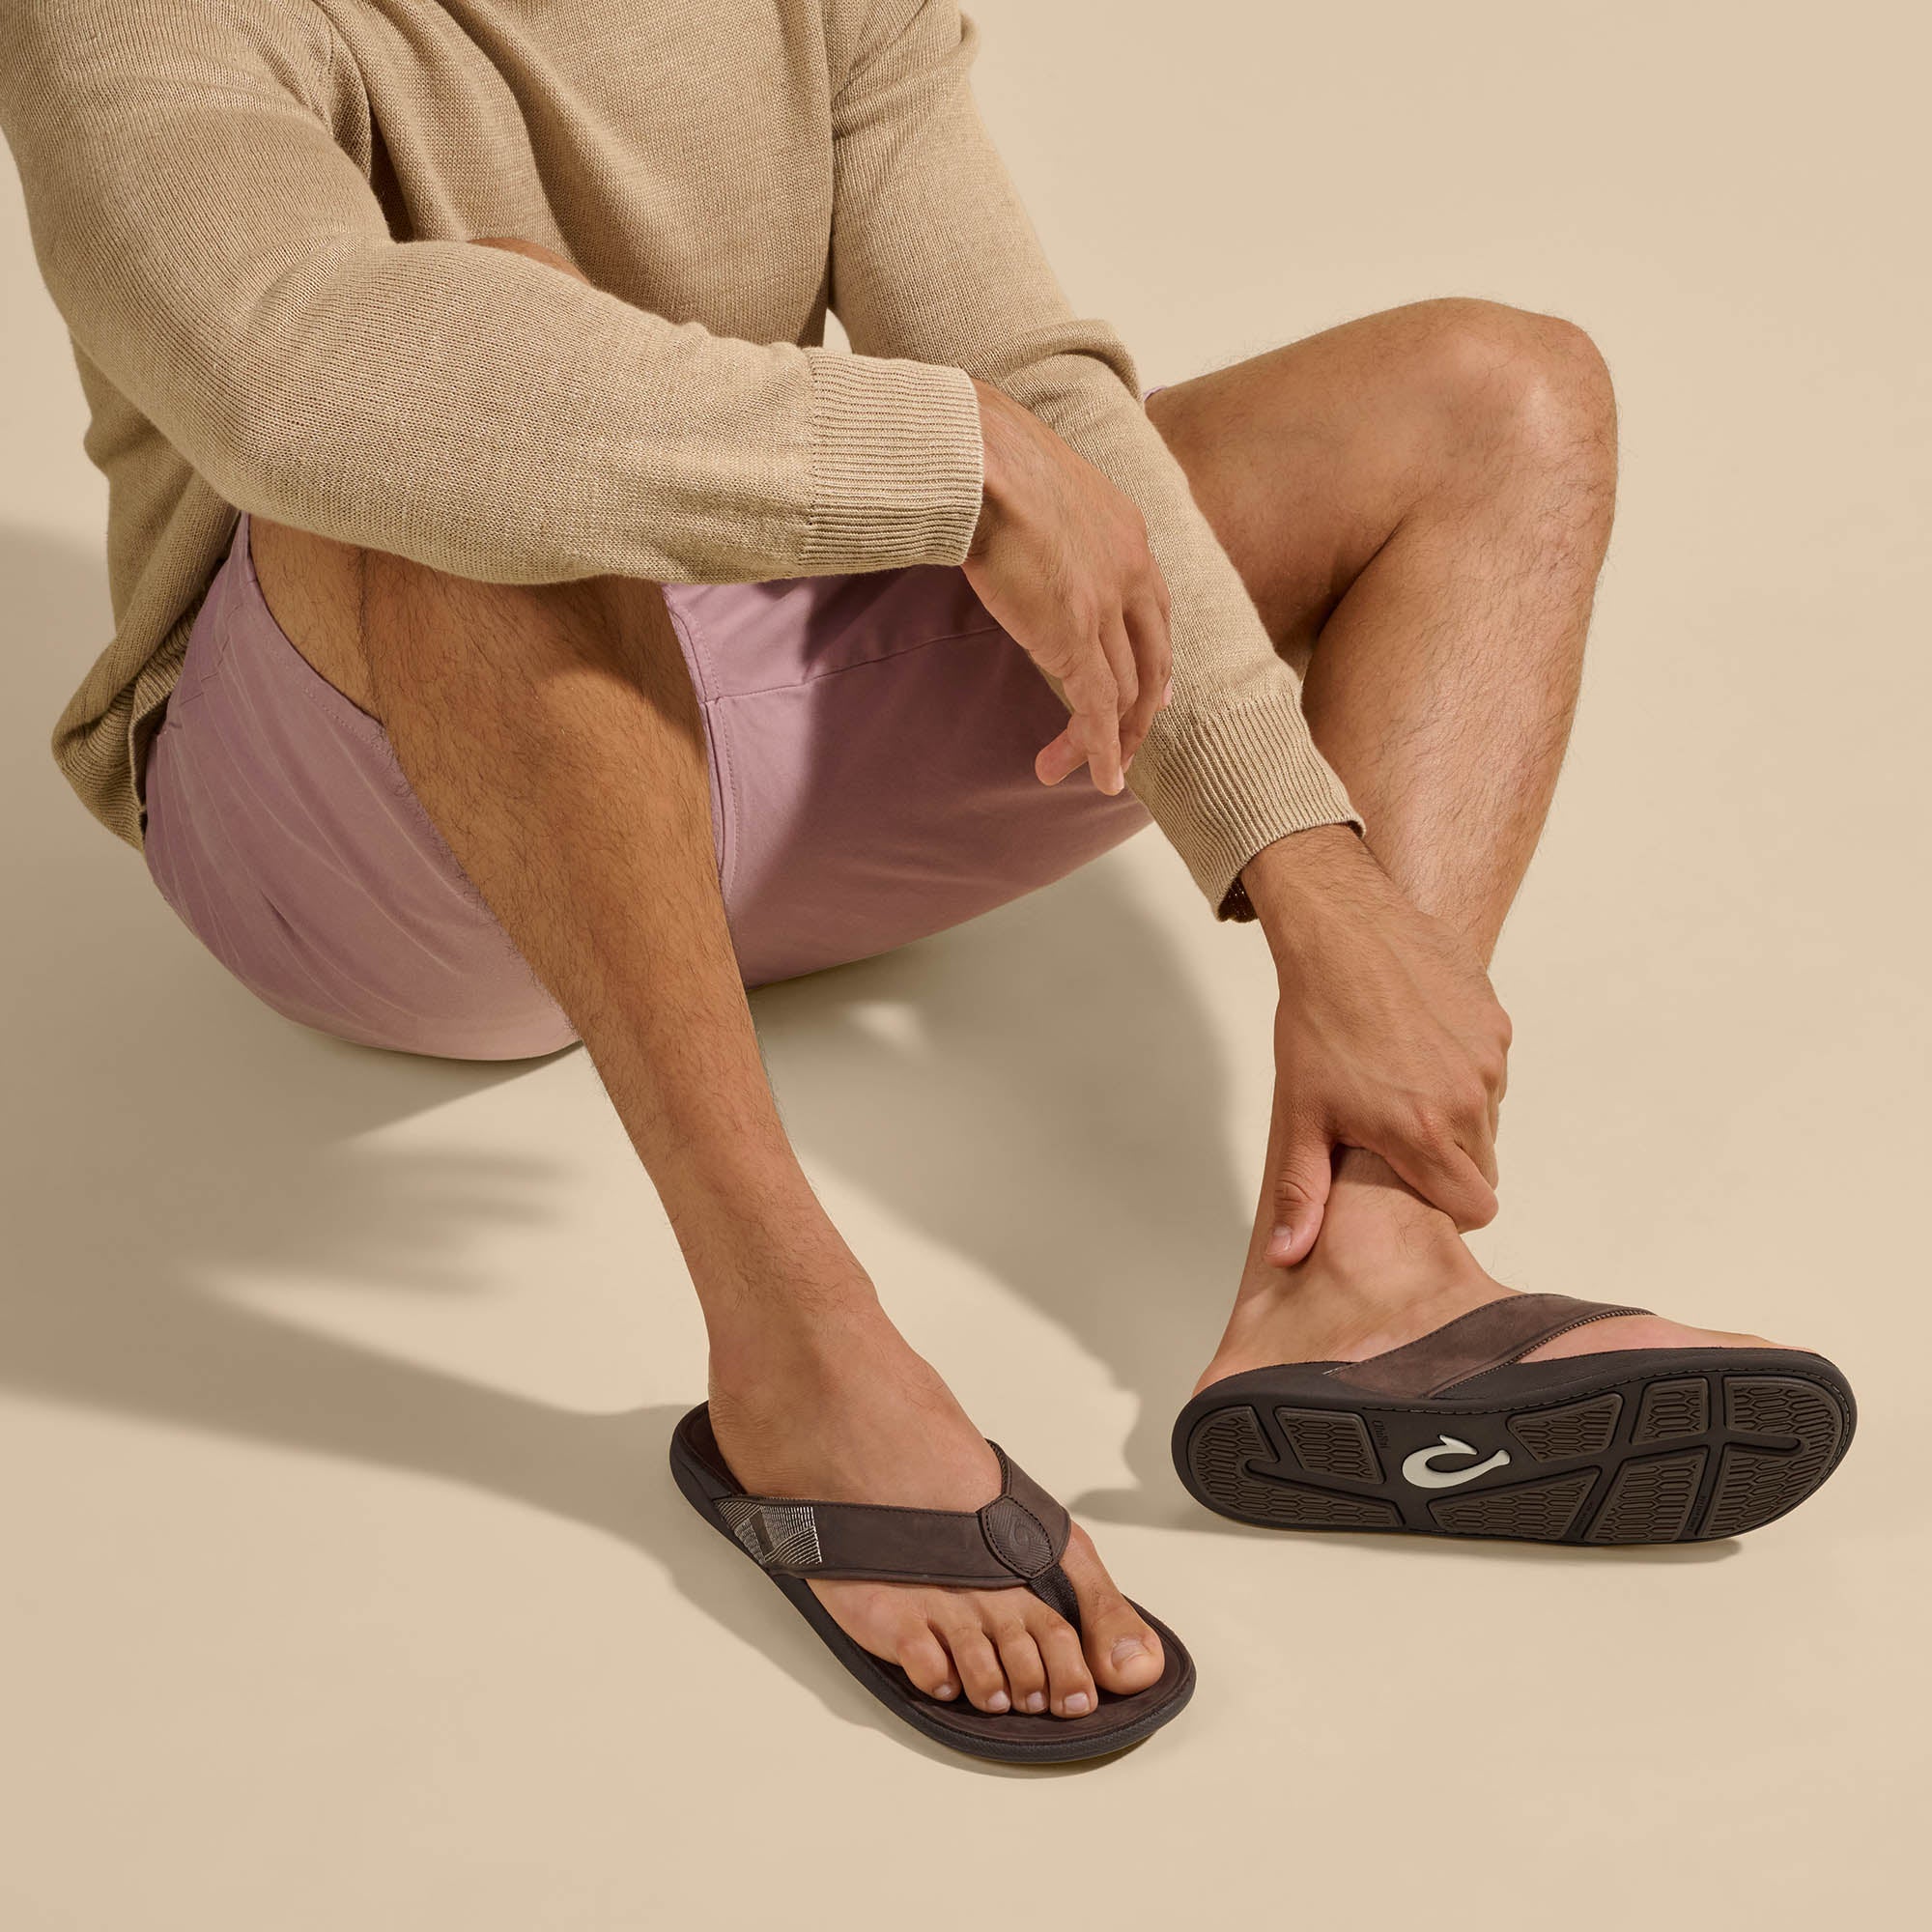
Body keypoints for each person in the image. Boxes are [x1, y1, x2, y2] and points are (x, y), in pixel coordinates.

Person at [2, 0, 1852, 1763]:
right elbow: (297, 382)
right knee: (467, 379)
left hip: (744, 710)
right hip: (363, 822)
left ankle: (1364, 1269)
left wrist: (1312, 862)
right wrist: (944, 461)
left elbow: (1028, 382)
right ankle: (794, 1351)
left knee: (1496, 396)